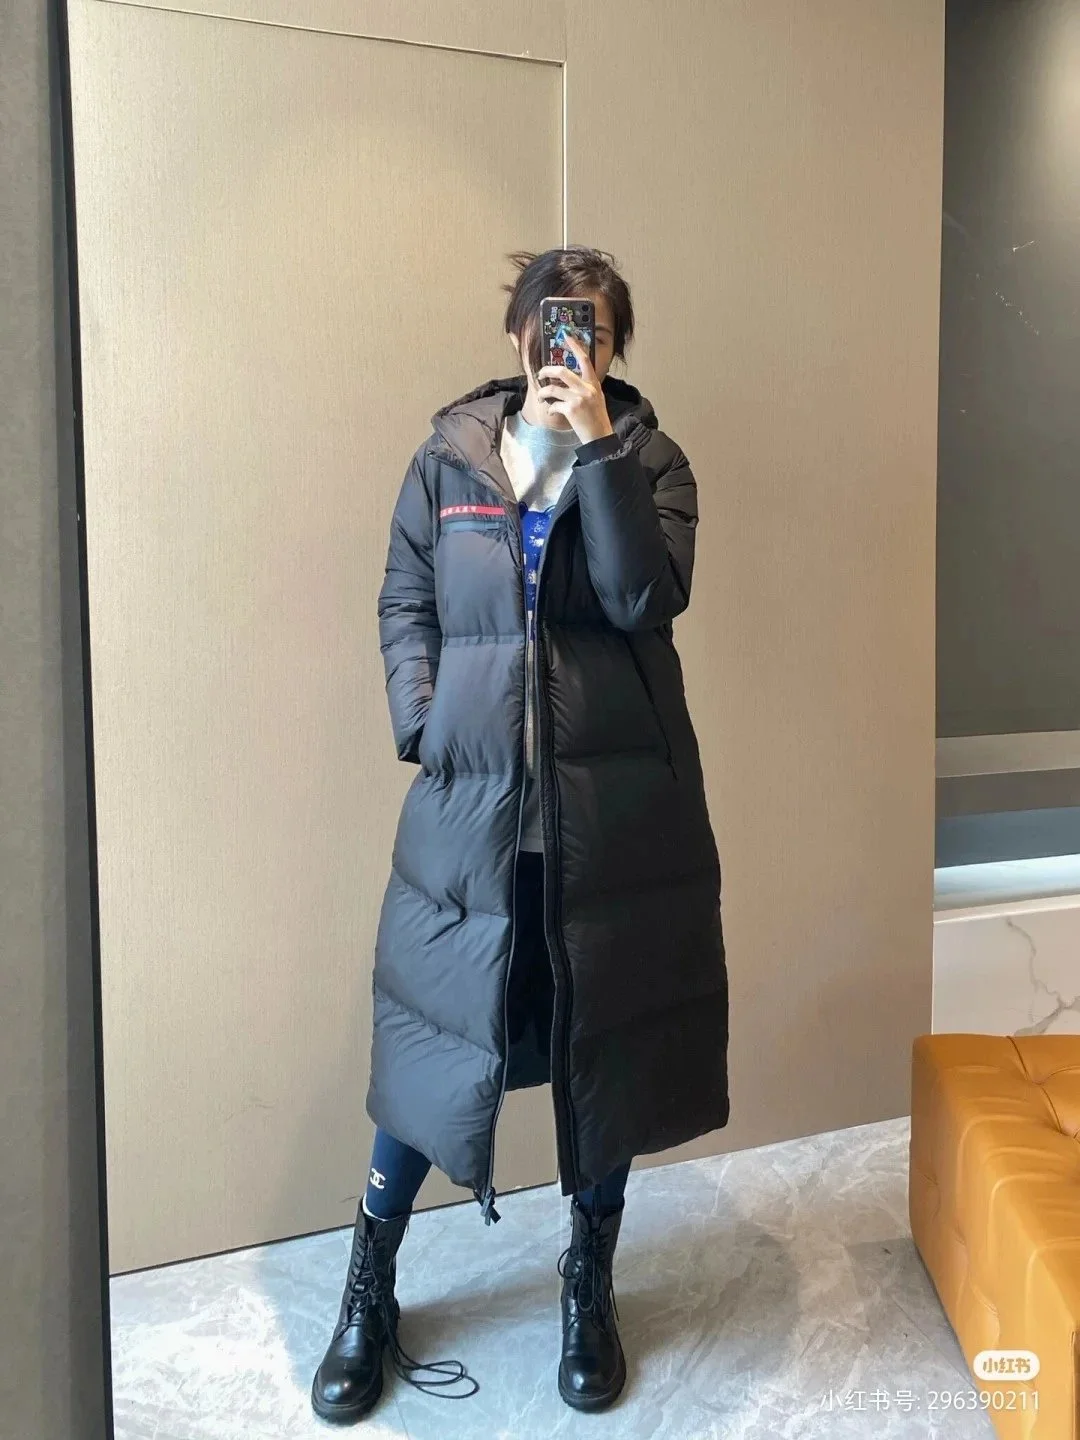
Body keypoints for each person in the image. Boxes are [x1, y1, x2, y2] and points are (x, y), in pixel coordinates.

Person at [311, 246, 729, 1423]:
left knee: (606, 1054)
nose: (566, 347)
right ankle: (370, 1285)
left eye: (590, 329)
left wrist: (597, 450)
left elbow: (645, 597)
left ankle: (589, 1279)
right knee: (432, 1048)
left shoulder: (653, 462)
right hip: (473, 817)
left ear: (614, 345)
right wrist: (425, 720)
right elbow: (404, 597)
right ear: (516, 335)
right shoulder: (449, 460)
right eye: (550, 325)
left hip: (612, 824)